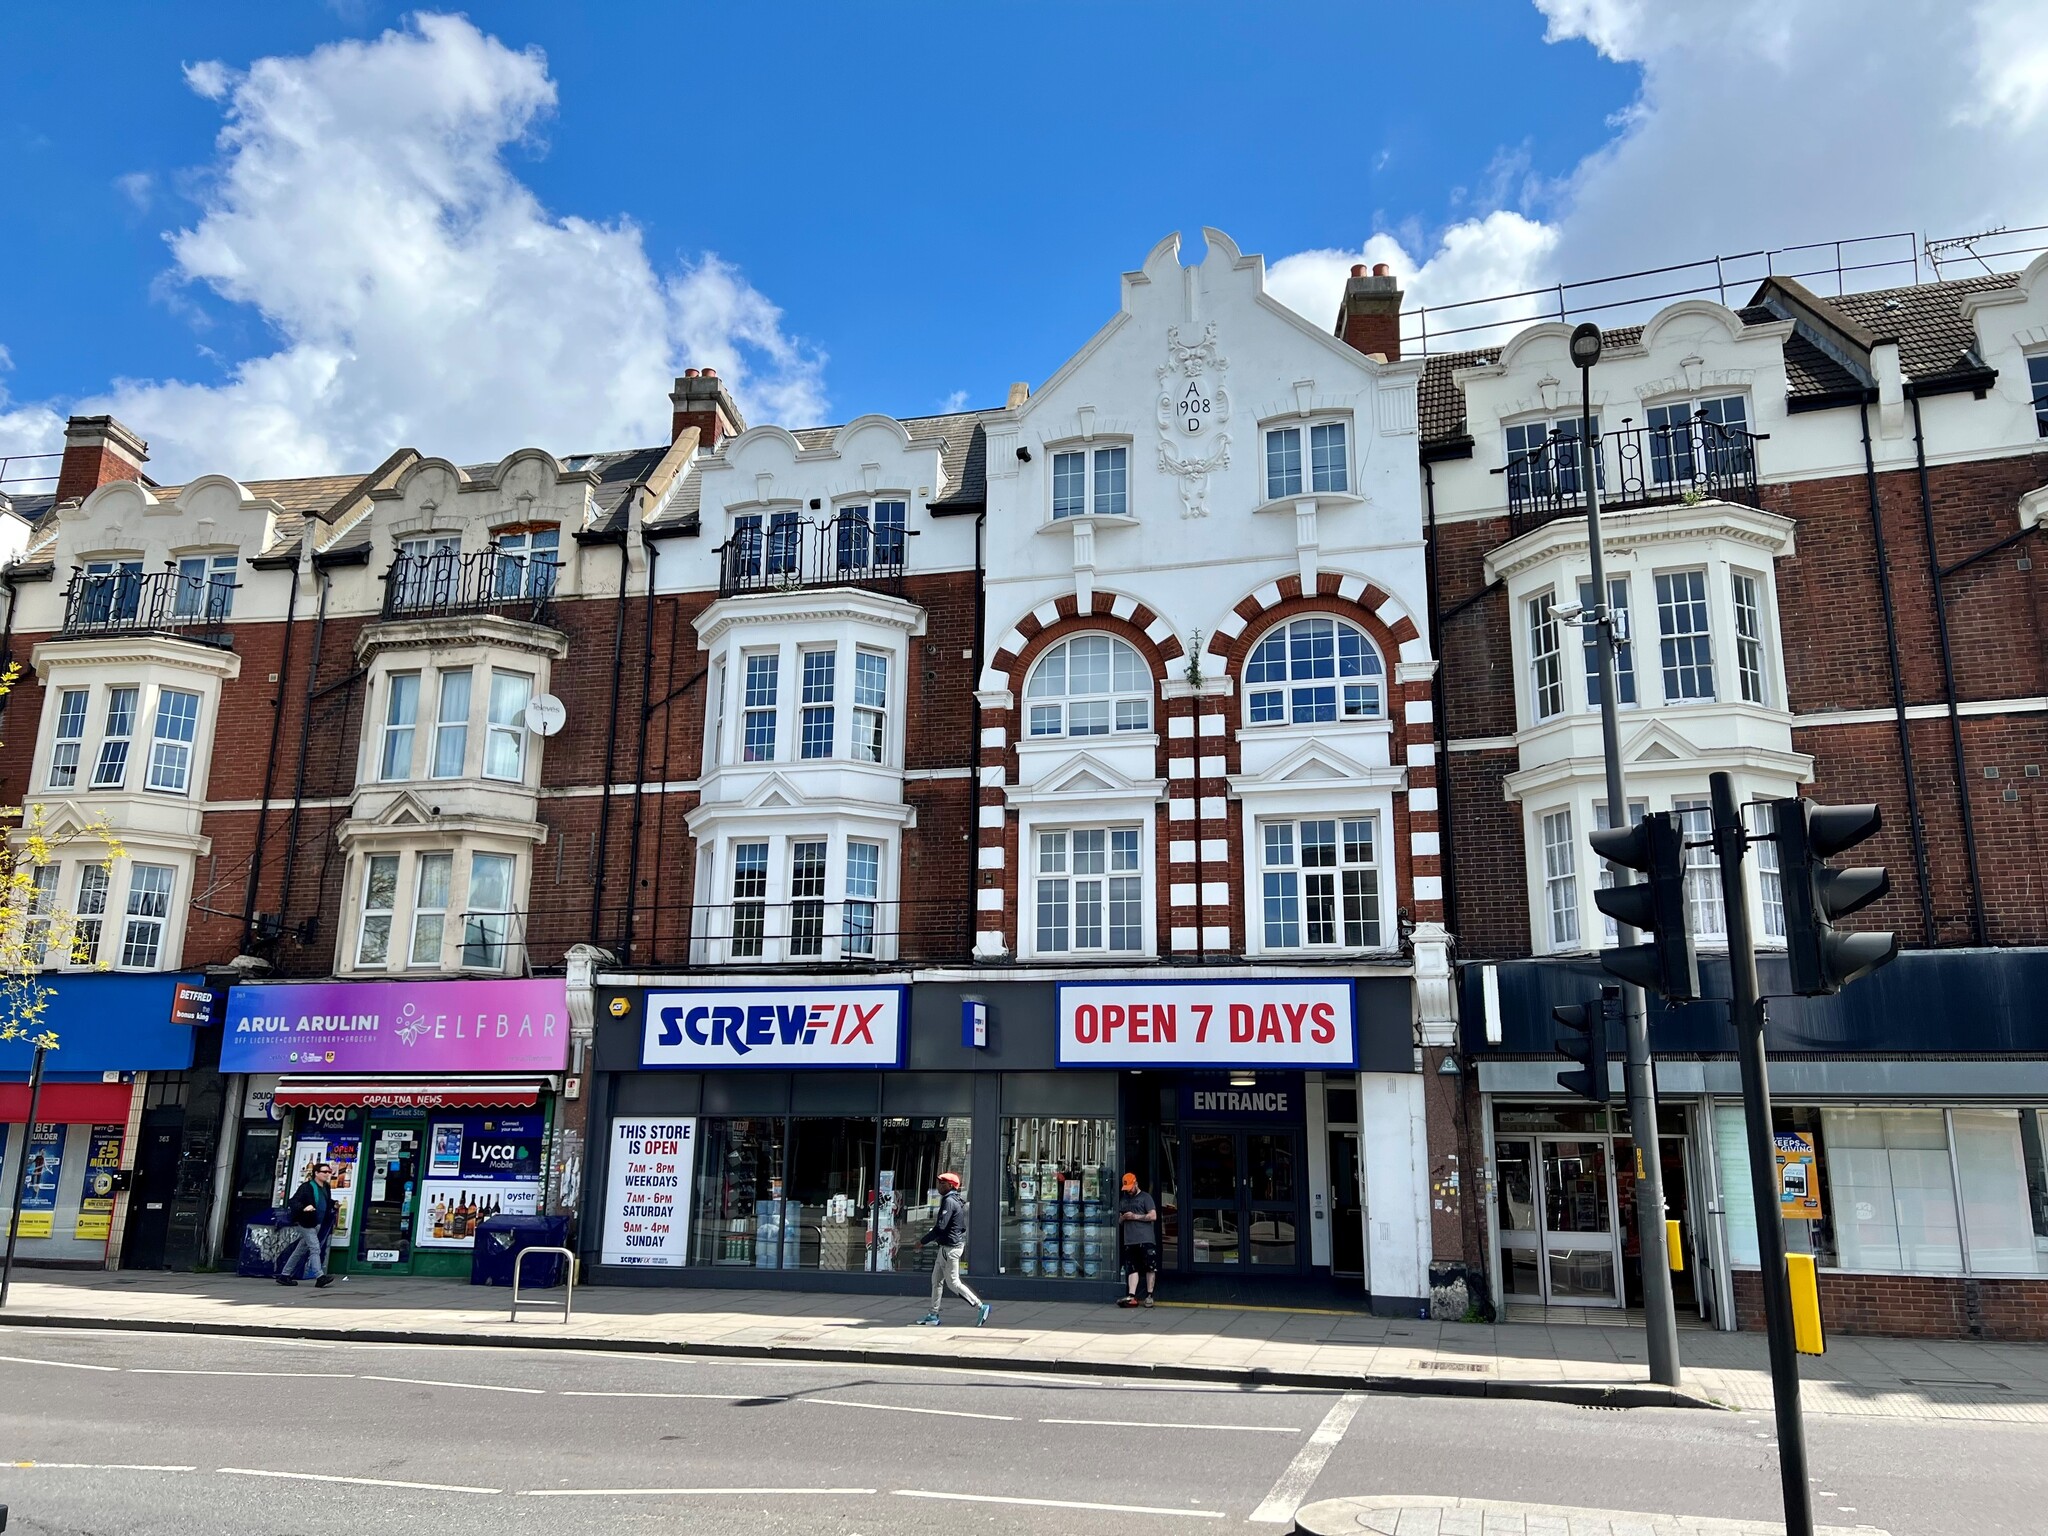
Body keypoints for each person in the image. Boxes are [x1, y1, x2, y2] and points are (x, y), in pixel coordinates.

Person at [915, 1171, 990, 1327]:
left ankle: (980, 1306)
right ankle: (933, 1315)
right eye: (939, 1182)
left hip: (951, 1249)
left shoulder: (949, 1201)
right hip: (946, 1247)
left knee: (953, 1283)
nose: (939, 1186)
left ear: (951, 1185)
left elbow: (940, 1227)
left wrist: (922, 1241)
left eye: (942, 1183)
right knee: (936, 1281)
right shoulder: (954, 1199)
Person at [277, 1161, 339, 1289]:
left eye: (329, 1172)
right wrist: (305, 1207)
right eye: (324, 1172)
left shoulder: (325, 1187)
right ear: (316, 1173)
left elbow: (325, 1201)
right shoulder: (307, 1187)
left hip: (317, 1222)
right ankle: (320, 1276)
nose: (327, 1174)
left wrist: (333, 1204)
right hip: (306, 1222)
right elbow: (293, 1201)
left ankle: (284, 1275)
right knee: (315, 1248)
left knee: (300, 1250)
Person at [1117, 1171, 1159, 1308]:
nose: (1129, 1191)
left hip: (1145, 1238)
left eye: (1130, 1188)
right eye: (1126, 1189)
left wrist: (1135, 1216)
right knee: (1132, 1268)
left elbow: (1153, 1216)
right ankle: (1132, 1295)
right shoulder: (1123, 1200)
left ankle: (1149, 1295)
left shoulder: (1146, 1197)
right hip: (1130, 1239)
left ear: (1136, 1184)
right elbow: (1119, 1220)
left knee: (1149, 1267)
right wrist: (1123, 1218)